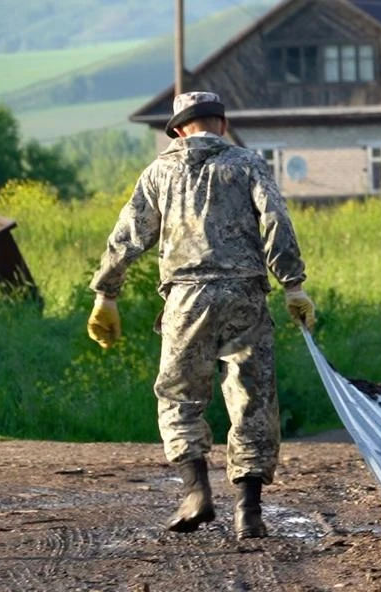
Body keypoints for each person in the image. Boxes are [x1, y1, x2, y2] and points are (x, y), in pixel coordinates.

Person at [86, 91, 316, 540]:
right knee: (251, 399)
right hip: (244, 295)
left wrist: (106, 294)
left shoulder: (159, 172)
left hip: (185, 299)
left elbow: (128, 236)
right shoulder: (247, 164)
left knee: (179, 397)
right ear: (222, 126)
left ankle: (196, 492)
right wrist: (294, 284)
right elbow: (276, 222)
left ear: (176, 131)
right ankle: (249, 511)